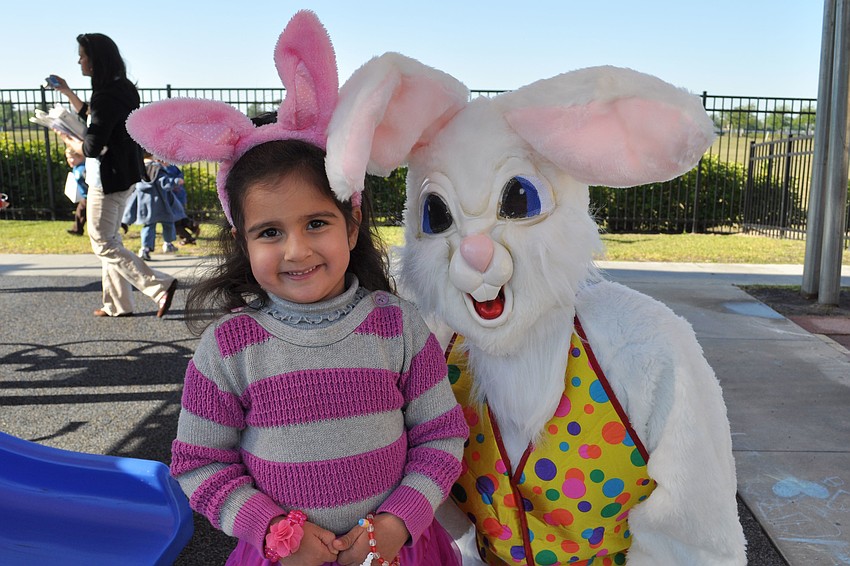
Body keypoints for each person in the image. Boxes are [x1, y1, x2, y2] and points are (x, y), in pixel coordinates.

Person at [173, 139, 468, 566]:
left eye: (316, 223)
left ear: (352, 225)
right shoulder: (227, 350)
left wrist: (397, 522)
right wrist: (271, 531)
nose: (297, 250)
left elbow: (440, 437)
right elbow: (200, 464)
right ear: (243, 242)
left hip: (398, 553)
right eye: (270, 232)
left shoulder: (398, 327)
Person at [48, 33, 177, 317]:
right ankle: (117, 304)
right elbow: (98, 118)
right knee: (110, 240)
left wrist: (69, 140)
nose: (79, 60)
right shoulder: (123, 89)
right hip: (124, 176)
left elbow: (93, 146)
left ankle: (159, 286)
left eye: (82, 55)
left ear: (95, 60)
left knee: (103, 243)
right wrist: (69, 93)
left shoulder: (107, 95)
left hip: (105, 180)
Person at [122, 154, 183, 260]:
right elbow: (164, 183)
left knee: (149, 225)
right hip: (161, 202)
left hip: (144, 203)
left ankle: (145, 248)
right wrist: (176, 181)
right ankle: (168, 243)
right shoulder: (157, 169)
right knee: (168, 222)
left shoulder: (139, 167)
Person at [65, 146, 87, 236]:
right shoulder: (76, 167)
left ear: (81, 157)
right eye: (68, 158)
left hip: (90, 195)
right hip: (85, 196)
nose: (70, 160)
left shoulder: (83, 168)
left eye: (72, 158)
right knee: (80, 212)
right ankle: (77, 230)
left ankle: (122, 223)